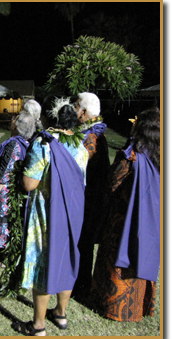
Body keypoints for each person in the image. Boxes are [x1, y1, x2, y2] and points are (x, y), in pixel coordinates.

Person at [12, 98, 88, 336]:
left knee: (44, 263)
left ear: (50, 121)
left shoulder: (43, 145)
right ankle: (61, 313)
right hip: (72, 212)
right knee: (65, 260)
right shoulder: (82, 148)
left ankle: (38, 326)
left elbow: (29, 184)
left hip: (47, 213)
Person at [89, 108, 160, 322]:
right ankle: (138, 307)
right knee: (142, 254)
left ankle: (115, 308)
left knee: (118, 258)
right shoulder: (159, 156)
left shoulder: (131, 157)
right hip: (151, 219)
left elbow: (112, 184)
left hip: (124, 219)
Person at [0, 111, 37, 267]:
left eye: (14, 119)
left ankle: (6, 257)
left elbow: (8, 170)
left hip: (5, 191)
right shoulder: (25, 142)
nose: (11, 121)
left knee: (5, 221)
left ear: (18, 126)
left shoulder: (14, 145)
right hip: (14, 189)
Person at [71, 92, 111, 300]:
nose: (74, 109)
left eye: (76, 106)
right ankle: (81, 282)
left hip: (87, 201)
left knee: (83, 244)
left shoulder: (91, 137)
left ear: (84, 112)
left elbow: (81, 171)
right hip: (91, 199)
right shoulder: (96, 133)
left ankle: (81, 284)